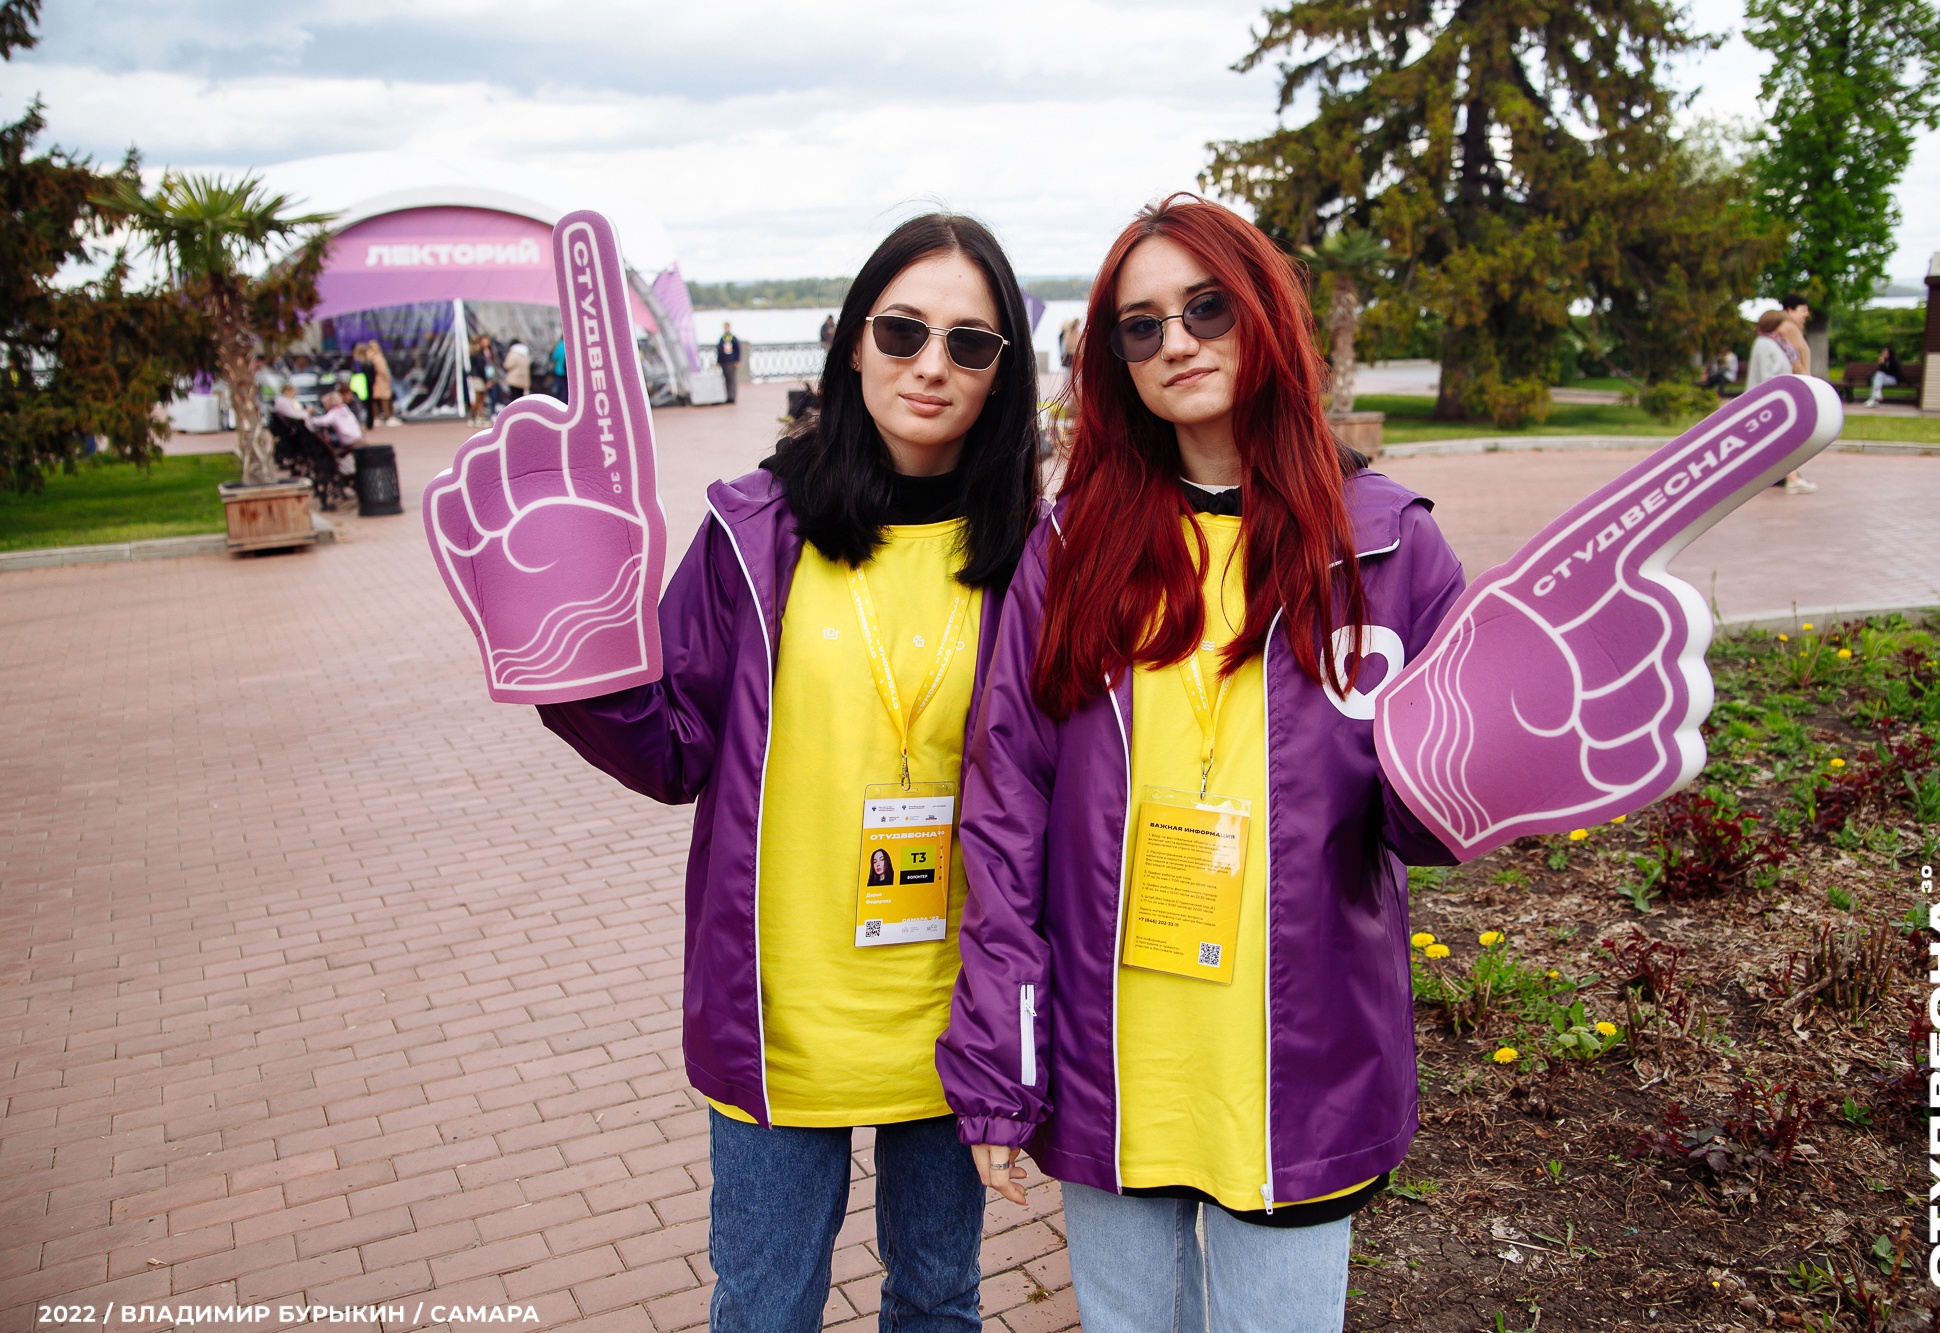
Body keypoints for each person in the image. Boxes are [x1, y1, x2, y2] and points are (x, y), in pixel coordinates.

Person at [938, 195, 1467, 1333]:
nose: (1174, 341)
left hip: (1297, 1064)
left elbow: (1436, 810)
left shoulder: (1387, 543)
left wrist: (1511, 759)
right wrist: (995, 1048)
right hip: (1112, 1059)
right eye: (1138, 326)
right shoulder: (1072, 546)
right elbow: (1005, 806)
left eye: (1204, 308)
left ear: (1263, 316)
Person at [535, 214, 1041, 1333]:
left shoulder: (1033, 553)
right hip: (779, 1019)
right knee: (764, 1309)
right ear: (851, 342)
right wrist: (563, 655)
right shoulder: (750, 530)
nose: (930, 365)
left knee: (940, 1301)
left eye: (969, 344)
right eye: (903, 329)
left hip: (949, 1021)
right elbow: (671, 747)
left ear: (1004, 375)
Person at [1746, 310, 1815, 493]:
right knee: (1783, 440)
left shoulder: (1779, 344)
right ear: (1775, 324)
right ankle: (1791, 478)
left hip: (1778, 400)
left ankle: (1790, 477)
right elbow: (1766, 376)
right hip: (1770, 402)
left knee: (1783, 441)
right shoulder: (1765, 344)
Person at [308, 389, 364, 476]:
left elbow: (323, 421)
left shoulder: (334, 412)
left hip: (348, 441)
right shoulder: (344, 408)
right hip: (357, 437)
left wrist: (309, 418)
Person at [368, 341, 397, 428]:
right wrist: (388, 379)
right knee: (385, 399)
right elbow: (383, 370)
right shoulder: (378, 357)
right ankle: (389, 418)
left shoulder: (369, 357)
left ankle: (376, 417)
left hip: (374, 381)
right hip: (381, 381)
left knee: (375, 401)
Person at [466, 337, 491, 425]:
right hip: (478, 377)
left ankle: (477, 417)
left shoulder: (476, 353)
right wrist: (485, 380)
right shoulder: (478, 354)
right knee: (478, 397)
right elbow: (481, 367)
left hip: (477, 376)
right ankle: (474, 417)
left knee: (480, 398)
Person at [716, 322, 743, 403]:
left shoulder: (733, 338)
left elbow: (737, 349)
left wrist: (737, 360)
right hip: (724, 361)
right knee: (726, 379)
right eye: (725, 327)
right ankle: (728, 396)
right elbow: (719, 350)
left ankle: (732, 397)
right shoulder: (722, 338)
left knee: (732, 379)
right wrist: (719, 361)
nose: (726, 329)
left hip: (731, 361)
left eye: (727, 327)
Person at [551, 335, 568, 404]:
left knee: (558, 388)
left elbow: (554, 357)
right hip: (568, 373)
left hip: (560, 371)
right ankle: (565, 403)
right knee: (566, 390)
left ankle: (556, 403)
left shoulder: (560, 345)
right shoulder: (571, 345)